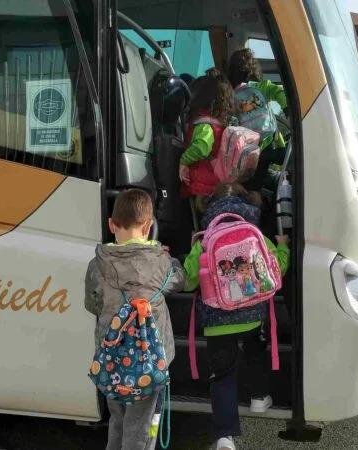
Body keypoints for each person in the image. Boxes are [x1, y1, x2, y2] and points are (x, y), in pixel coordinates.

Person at [183, 183, 290, 450]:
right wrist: (285, 247)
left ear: (210, 205)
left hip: (217, 322)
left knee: (222, 374)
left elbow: (187, 281)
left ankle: (224, 436)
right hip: (253, 316)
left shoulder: (205, 237)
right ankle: (259, 396)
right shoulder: (256, 235)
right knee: (255, 350)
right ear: (248, 203)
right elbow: (278, 270)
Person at [85, 189, 185, 450]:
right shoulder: (161, 262)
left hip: (112, 360)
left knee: (117, 420)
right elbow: (180, 280)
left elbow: (92, 304)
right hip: (150, 363)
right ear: (149, 226)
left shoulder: (98, 264)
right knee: (142, 429)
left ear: (111, 224)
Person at [228, 48, 288, 190]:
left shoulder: (231, 95)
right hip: (270, 143)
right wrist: (286, 108)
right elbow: (278, 92)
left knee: (252, 184)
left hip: (247, 149)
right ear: (253, 70)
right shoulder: (261, 87)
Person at [179, 73, 235, 200]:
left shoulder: (204, 123)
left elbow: (202, 147)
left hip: (199, 186)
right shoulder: (219, 124)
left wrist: (183, 160)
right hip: (215, 185)